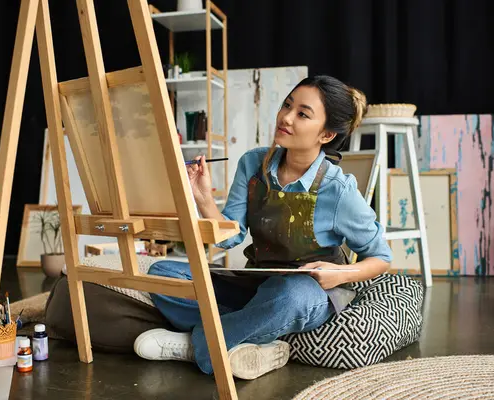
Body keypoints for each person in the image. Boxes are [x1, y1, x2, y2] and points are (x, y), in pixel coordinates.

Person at [133, 75, 392, 380]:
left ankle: (198, 345)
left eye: (302, 114)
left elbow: (382, 257)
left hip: (307, 293)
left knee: (291, 297)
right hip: (254, 283)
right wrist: (203, 199)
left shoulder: (339, 189)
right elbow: (232, 238)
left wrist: (340, 274)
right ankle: (253, 339)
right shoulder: (252, 164)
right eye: (287, 105)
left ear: (325, 134)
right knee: (163, 274)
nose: (286, 117)